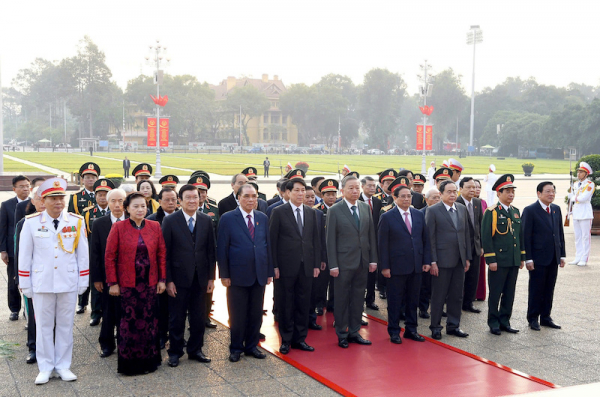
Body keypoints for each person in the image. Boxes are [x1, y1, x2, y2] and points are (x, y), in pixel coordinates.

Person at [18, 178, 89, 385]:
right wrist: (25, 283)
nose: (59, 202)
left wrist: (83, 280)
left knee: (66, 325)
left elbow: (82, 253)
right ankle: (46, 366)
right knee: (44, 326)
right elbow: (25, 255)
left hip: (68, 280)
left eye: (61, 198)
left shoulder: (76, 221)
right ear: (43, 200)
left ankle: (63, 365)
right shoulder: (31, 223)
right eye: (53, 198)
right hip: (42, 281)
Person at [105, 192, 167, 375]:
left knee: (149, 322)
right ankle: (130, 364)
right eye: (135, 206)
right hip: (127, 284)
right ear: (127, 209)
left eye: (143, 206)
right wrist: (113, 283)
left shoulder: (154, 226)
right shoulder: (118, 227)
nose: (140, 210)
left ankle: (150, 361)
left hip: (149, 283)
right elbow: (109, 257)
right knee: (128, 324)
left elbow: (162, 255)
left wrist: (162, 279)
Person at [217, 184, 273, 362]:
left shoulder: (262, 218)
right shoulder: (228, 218)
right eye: (247, 196)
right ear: (238, 198)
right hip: (237, 276)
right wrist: (224, 274)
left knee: (256, 313)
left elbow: (267, 246)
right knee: (237, 314)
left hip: (259, 274)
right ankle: (236, 348)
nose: (251, 200)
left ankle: (251, 346)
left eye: (254, 196)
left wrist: (269, 271)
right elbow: (222, 248)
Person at [162, 185, 216, 367]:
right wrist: (168, 280)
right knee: (177, 318)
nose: (193, 201)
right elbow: (165, 254)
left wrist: (211, 278)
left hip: (200, 279)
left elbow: (210, 252)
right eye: (188, 198)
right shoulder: (170, 221)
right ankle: (175, 352)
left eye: (196, 197)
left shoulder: (206, 220)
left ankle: (195, 350)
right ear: (180, 200)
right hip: (178, 279)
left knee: (199, 316)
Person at [326, 175, 378, 348]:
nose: (355, 191)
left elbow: (370, 235)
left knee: (357, 298)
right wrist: (332, 264)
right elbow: (330, 240)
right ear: (342, 191)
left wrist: (372, 260)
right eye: (351, 188)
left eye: (357, 187)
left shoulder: (365, 207)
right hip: (342, 263)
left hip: (362, 262)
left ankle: (354, 331)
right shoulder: (335, 210)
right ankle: (342, 333)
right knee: (341, 299)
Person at [270, 179, 320, 354]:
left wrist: (315, 264)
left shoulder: (311, 213)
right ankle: (286, 339)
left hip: (306, 266)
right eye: (297, 190)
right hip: (285, 267)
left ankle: (300, 339)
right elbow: (273, 241)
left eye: (303, 190)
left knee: (303, 303)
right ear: (288, 192)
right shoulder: (278, 212)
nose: (301, 194)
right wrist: (274, 265)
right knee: (286, 304)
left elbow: (315, 240)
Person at [379, 178, 431, 344]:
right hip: (396, 267)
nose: (407, 199)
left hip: (416, 265)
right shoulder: (387, 217)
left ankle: (411, 329)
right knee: (395, 301)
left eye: (409, 196)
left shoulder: (418, 214)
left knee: (412, 300)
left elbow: (425, 240)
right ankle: (394, 331)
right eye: (403, 196)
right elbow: (382, 244)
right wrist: (385, 267)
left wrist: (426, 261)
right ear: (395, 198)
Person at [425, 180, 471, 341]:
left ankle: (453, 325)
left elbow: (465, 235)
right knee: (439, 295)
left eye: (454, 191)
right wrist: (433, 261)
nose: (453, 194)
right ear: (441, 193)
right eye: (449, 192)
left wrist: (466, 258)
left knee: (457, 295)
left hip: (459, 259)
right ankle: (436, 327)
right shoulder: (433, 211)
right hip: (441, 261)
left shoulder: (462, 209)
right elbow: (429, 238)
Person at [481, 174, 525, 336]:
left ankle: (505, 320)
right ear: (498, 194)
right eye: (507, 191)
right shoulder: (492, 212)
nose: (511, 194)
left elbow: (520, 236)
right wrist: (491, 259)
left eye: (512, 191)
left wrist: (521, 257)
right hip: (498, 261)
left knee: (509, 292)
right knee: (495, 293)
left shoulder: (515, 212)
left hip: (512, 260)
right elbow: (486, 237)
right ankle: (493, 322)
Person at [522, 182, 565, 331]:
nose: (551, 194)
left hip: (553, 256)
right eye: (547, 191)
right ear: (539, 193)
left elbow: (559, 233)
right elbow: (526, 236)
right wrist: (528, 258)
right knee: (536, 289)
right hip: (537, 258)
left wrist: (562, 254)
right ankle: (533, 317)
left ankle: (546, 317)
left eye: (553, 191)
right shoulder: (530, 210)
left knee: (549, 288)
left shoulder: (556, 209)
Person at [90, 188, 126, 358]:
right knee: (108, 311)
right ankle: (107, 344)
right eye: (113, 201)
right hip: (106, 277)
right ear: (107, 202)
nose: (117, 205)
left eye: (121, 201)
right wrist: (96, 278)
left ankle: (124, 342)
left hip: (129, 276)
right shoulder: (99, 223)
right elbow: (95, 253)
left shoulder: (135, 221)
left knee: (125, 312)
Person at [14, 187, 44, 364]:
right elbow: (19, 254)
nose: (42, 202)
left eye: (45, 198)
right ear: (32, 201)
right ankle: (33, 347)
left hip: (53, 278)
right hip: (33, 277)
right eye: (38, 199)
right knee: (33, 315)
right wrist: (20, 278)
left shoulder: (60, 222)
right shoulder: (24, 223)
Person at [146, 186, 178, 347]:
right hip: (158, 269)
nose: (171, 202)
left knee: (177, 308)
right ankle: (160, 334)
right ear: (159, 202)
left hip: (178, 268)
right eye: (167, 200)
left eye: (174, 199)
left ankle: (176, 337)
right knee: (161, 306)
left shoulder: (182, 217)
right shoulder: (151, 220)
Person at [80, 178, 114, 322]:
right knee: (96, 284)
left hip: (113, 253)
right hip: (95, 252)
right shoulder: (87, 213)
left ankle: (109, 312)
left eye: (105, 194)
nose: (102, 197)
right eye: (99, 194)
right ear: (95, 196)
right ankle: (95, 313)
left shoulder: (116, 212)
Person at [190, 175, 220, 329]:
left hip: (208, 256)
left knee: (208, 288)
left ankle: (206, 316)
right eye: (197, 191)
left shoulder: (213, 209)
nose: (201, 194)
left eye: (203, 191)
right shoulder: (182, 208)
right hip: (188, 257)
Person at [0, 175, 30, 320]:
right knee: (13, 281)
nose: (25, 189)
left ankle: (28, 310)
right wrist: (3, 250)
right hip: (13, 250)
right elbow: (3, 228)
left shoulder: (36, 203)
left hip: (31, 249)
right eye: (21, 186)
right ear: (14, 189)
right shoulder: (6, 205)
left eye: (27, 186)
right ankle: (14, 309)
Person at [457, 177, 483, 314]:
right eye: (469, 187)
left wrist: (482, 245)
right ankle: (457, 303)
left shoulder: (477, 202)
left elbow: (480, 225)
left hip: (476, 246)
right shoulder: (456, 202)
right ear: (460, 189)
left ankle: (469, 303)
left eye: (474, 187)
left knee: (474, 276)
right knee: (460, 277)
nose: (472, 190)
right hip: (461, 247)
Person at [313, 179, 339, 313]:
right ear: (322, 196)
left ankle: (333, 304)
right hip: (323, 251)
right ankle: (319, 303)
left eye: (333, 194)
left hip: (338, 252)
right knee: (321, 282)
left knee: (336, 282)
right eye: (328, 194)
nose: (331, 197)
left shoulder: (340, 210)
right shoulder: (316, 211)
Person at [359, 176, 383, 311]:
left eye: (374, 186)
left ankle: (370, 300)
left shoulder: (377, 202)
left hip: (374, 243)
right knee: (361, 273)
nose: (372, 188)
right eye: (369, 186)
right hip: (361, 243)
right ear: (362, 186)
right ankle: (359, 301)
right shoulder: (357, 201)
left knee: (372, 272)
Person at [418, 187, 441, 319]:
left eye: (438, 197)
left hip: (441, 253)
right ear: (426, 200)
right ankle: (423, 308)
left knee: (439, 284)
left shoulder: (443, 212)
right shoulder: (420, 214)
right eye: (434, 198)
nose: (437, 200)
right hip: (426, 253)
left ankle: (437, 308)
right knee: (425, 284)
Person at [567, 161, 594, 266]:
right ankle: (577, 256)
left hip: (585, 213)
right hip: (576, 212)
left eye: (581, 172)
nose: (578, 174)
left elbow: (583, 198)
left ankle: (584, 258)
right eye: (578, 172)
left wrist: (572, 197)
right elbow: (574, 199)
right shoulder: (575, 184)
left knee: (585, 237)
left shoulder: (590, 184)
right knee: (577, 237)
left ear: (586, 174)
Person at [474, 180, 488, 301]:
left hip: (480, 241)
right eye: (474, 187)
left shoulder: (483, 203)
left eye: (479, 187)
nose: (477, 189)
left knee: (480, 270)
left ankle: (479, 294)